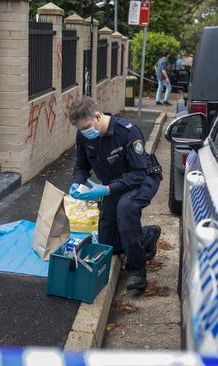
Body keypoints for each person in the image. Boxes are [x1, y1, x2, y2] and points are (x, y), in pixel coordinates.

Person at [68, 97, 162, 290]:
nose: (84, 132)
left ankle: (136, 271)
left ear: (96, 116)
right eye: (80, 129)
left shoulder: (127, 132)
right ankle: (146, 236)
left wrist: (106, 189)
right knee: (108, 243)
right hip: (116, 184)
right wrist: (77, 183)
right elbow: (81, 166)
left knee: (126, 208)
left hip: (142, 179)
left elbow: (139, 172)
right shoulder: (84, 135)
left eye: (86, 127)